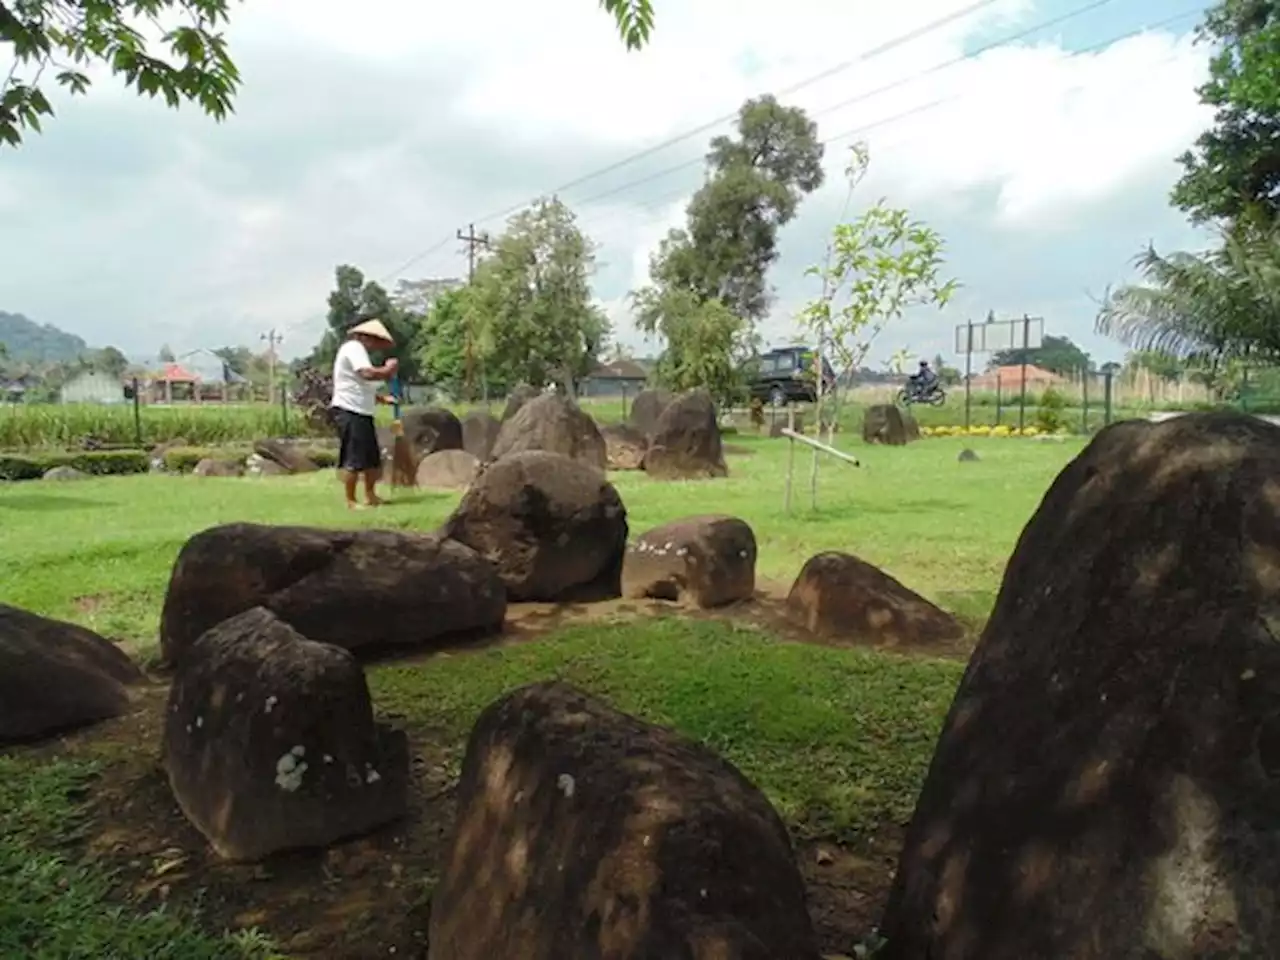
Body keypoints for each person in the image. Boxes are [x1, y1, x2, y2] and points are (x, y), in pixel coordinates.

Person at [330, 319, 398, 509]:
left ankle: (371, 495)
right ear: (367, 337)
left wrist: (382, 399)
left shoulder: (358, 352)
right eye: (375, 342)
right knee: (354, 458)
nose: (376, 347)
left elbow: (361, 385)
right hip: (350, 410)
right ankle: (351, 501)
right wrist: (387, 371)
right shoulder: (354, 347)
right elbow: (366, 374)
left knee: (370, 458)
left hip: (362, 411)